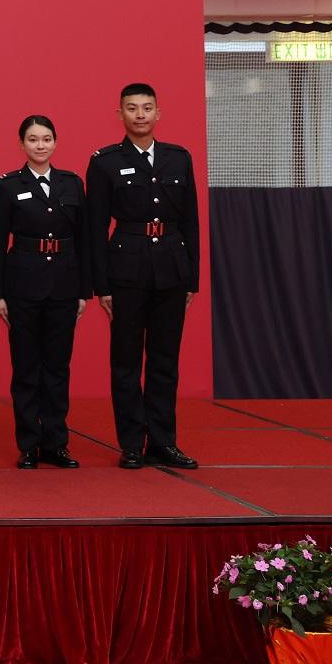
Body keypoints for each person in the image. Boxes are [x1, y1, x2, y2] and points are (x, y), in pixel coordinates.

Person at [86, 82, 200, 471]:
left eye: (147, 108)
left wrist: (191, 278)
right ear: (120, 114)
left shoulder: (178, 158)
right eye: (131, 108)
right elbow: (96, 228)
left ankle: (164, 442)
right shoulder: (104, 162)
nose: (140, 115)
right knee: (126, 362)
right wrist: (101, 286)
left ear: (158, 113)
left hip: (171, 269)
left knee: (166, 361)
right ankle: (133, 443)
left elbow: (191, 223)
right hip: (127, 270)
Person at [0, 114, 88, 469]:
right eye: (33, 139)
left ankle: (57, 443)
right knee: (27, 368)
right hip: (23, 286)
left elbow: (84, 241)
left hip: (64, 284)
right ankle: (29, 443)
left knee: (58, 368)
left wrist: (84, 291)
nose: (40, 145)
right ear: (22, 144)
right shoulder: (8, 185)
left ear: (55, 142)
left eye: (46, 138)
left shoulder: (72, 184)